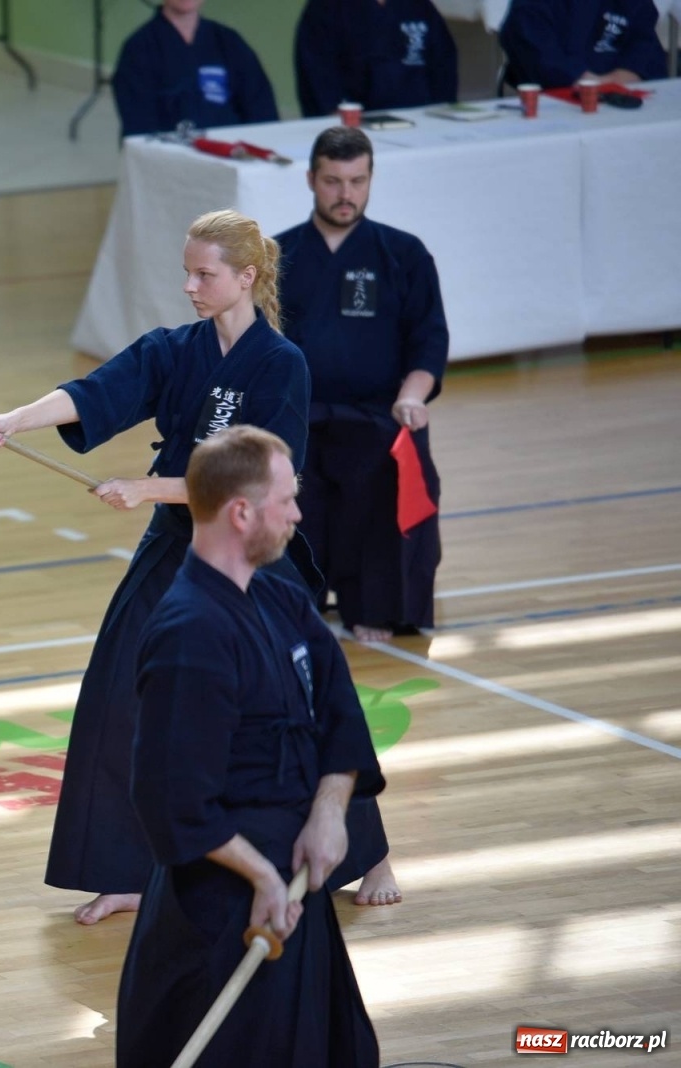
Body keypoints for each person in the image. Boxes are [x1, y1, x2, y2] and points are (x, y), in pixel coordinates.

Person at [0, 209, 362, 925]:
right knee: (119, 687)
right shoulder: (174, 350)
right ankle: (122, 869)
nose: (189, 285)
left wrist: (148, 487)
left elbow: (258, 479)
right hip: (175, 545)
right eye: (186, 271)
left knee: (292, 701)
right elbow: (94, 393)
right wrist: (10, 420)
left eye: (204, 274)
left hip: (251, 551)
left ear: (246, 277)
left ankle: (363, 851)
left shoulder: (282, 366)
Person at [116, 425, 383, 1068]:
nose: (297, 512)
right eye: (286, 500)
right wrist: (262, 876)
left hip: (291, 878)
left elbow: (339, 710)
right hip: (223, 905)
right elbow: (174, 803)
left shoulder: (278, 593)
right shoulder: (189, 636)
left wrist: (327, 812)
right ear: (241, 513)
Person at [275, 125, 446, 652]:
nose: (345, 194)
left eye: (357, 180)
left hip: (377, 415)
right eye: (332, 181)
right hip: (299, 418)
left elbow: (428, 341)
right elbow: (253, 344)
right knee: (285, 493)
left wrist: (412, 396)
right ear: (310, 179)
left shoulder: (403, 253)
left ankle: (377, 607)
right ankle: (296, 601)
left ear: (370, 180)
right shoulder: (276, 255)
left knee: (390, 470)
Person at [112, 0, 279, 138]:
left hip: (231, 154)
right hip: (169, 159)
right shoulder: (138, 49)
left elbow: (262, 110)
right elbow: (139, 126)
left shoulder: (228, 42)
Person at [294, 0, 458, 117]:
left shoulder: (419, 6)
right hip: (355, 122)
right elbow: (317, 71)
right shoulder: (324, 8)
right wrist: (336, 115)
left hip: (421, 116)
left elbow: (444, 62)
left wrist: (441, 110)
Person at [499, 0, 666, 88]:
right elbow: (529, 40)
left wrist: (627, 73)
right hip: (555, 96)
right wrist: (581, 79)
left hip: (623, 93)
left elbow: (645, 40)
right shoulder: (531, 6)